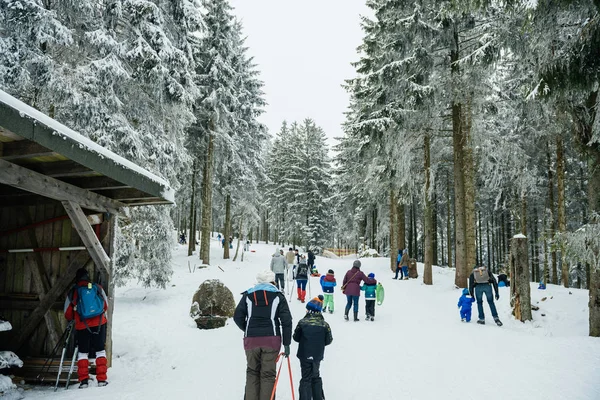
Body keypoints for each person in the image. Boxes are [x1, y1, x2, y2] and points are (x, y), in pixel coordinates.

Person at [233, 270, 293, 400]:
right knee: (268, 374)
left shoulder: (248, 295)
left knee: (252, 372)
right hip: (271, 340)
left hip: (251, 340)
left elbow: (237, 316)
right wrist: (287, 343)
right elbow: (286, 321)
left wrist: (248, 329)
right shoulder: (278, 296)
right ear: (272, 282)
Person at [63, 267, 109, 388]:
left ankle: (83, 381)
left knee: (83, 353)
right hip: (100, 323)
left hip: (82, 325)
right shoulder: (97, 288)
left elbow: (67, 314)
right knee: (100, 351)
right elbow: (105, 306)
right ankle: (102, 379)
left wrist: (77, 314)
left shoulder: (74, 291)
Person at [293, 295, 333, 400]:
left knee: (305, 377)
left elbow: (296, 337)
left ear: (309, 310)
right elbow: (329, 340)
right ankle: (318, 397)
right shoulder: (324, 325)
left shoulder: (302, 322)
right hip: (317, 355)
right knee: (315, 375)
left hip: (304, 354)